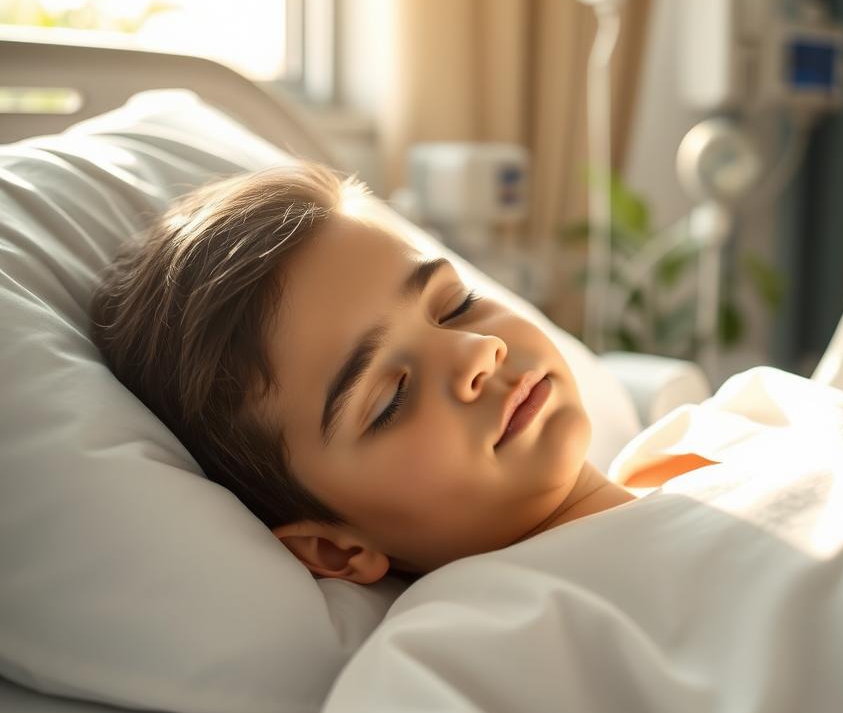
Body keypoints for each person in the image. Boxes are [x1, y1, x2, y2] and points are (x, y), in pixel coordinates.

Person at [91, 161, 693, 583]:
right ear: (333, 547)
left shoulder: (732, 427)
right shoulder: (482, 654)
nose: (476, 351)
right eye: (391, 399)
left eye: (455, 305)